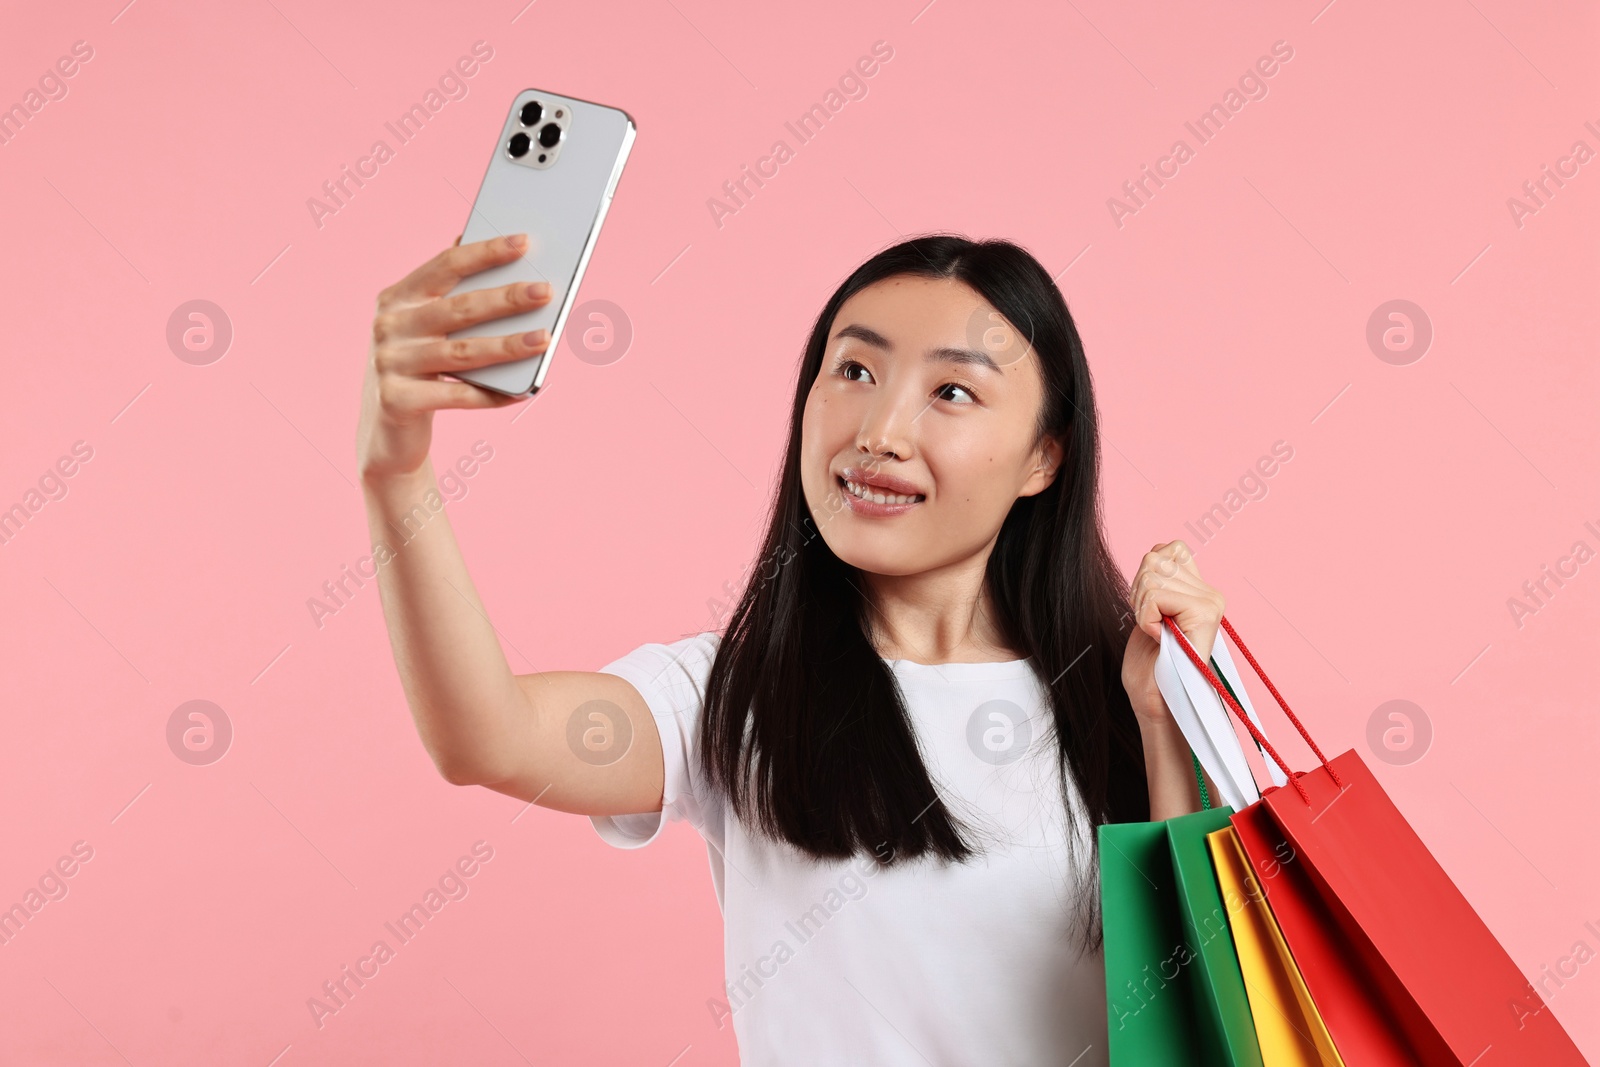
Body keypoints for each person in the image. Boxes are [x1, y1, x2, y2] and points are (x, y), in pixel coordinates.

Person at [357, 231, 1224, 1065]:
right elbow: (489, 736)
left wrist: (1168, 720)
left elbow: (1206, 1006)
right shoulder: (733, 694)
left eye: (951, 392)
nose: (879, 430)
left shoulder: (1126, 692)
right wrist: (395, 473)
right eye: (853, 370)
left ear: (1044, 455)